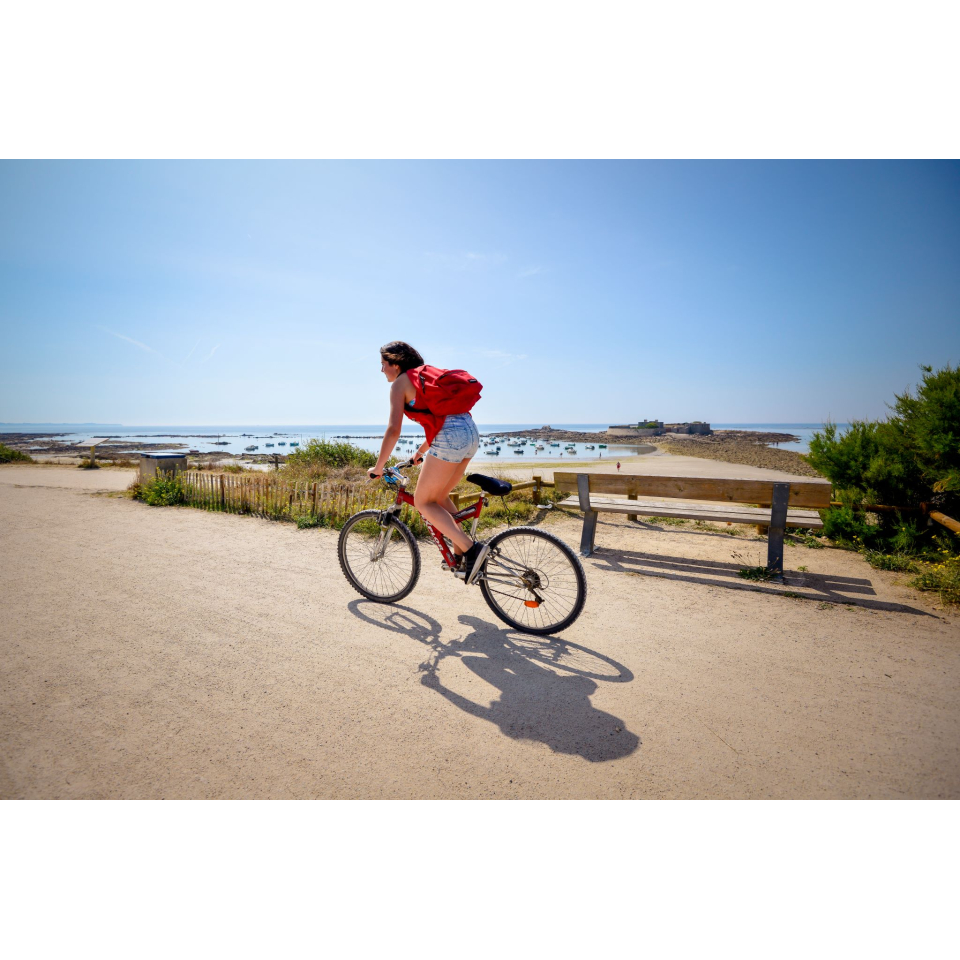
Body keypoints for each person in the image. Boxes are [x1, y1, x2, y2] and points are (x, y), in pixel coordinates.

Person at [368, 341, 488, 584]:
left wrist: (378, 467)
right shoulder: (425, 376)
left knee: (423, 502)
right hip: (470, 432)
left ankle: (472, 549)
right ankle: (460, 553)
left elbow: (393, 430)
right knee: (440, 497)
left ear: (395, 364)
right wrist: (421, 452)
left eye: (383, 364)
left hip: (450, 436)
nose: (381, 370)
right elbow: (440, 417)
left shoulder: (400, 383)